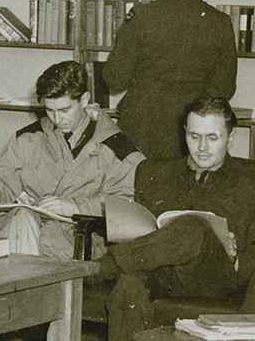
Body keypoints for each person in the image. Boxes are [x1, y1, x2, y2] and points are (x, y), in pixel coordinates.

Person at [88, 97, 255, 341]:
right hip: (163, 273)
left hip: (217, 278)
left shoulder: (250, 179)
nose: (202, 147)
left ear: (231, 136)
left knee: (193, 226)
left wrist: (238, 259)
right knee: (130, 284)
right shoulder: (156, 172)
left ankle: (98, 269)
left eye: (213, 137)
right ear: (185, 132)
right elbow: (145, 241)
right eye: (194, 136)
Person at [0, 61, 143, 260]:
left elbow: (129, 206)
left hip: (78, 237)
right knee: (20, 220)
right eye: (50, 111)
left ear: (84, 100)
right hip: (22, 226)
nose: (57, 120)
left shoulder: (117, 148)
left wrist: (75, 207)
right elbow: (4, 183)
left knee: (17, 235)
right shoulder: (30, 138)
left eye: (64, 110)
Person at [104, 0, 237, 159]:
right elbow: (224, 89)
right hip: (193, 131)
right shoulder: (220, 22)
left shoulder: (141, 16)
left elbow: (114, 79)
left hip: (142, 126)